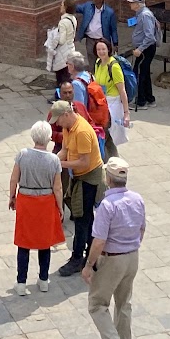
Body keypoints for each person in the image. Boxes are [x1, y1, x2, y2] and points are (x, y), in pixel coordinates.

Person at [83, 156, 146, 339]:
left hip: (113, 258)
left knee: (97, 304)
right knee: (124, 303)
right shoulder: (137, 199)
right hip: (132, 256)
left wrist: (89, 265)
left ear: (107, 179)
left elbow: (99, 241)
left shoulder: (107, 205)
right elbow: (141, 229)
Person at [49, 98, 105, 276]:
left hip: (89, 178)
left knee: (81, 218)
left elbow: (83, 162)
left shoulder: (81, 131)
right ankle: (92, 255)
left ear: (66, 114)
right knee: (85, 217)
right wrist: (53, 160)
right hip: (79, 176)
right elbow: (64, 150)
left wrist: (60, 165)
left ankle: (77, 259)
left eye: (58, 120)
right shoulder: (68, 127)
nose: (57, 124)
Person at [9, 120, 64, 294]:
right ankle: (43, 279)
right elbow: (58, 187)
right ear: (48, 138)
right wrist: (60, 206)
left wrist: (12, 197)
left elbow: (13, 178)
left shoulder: (23, 155)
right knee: (44, 242)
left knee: (23, 242)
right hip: (46, 202)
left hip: (26, 199)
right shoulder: (54, 160)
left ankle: (21, 282)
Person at [93, 39, 131, 152]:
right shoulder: (98, 62)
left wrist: (126, 113)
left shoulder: (114, 67)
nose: (101, 52)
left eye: (103, 49)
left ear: (108, 49)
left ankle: (110, 158)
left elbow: (122, 91)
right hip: (101, 101)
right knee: (104, 134)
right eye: (98, 49)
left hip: (112, 103)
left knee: (107, 134)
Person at [126, 0, 161, 110]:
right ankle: (149, 98)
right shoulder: (140, 14)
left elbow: (150, 37)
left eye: (131, 2)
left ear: (137, 4)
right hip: (144, 49)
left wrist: (140, 49)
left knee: (139, 73)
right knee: (144, 73)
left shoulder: (145, 15)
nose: (129, 4)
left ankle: (141, 102)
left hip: (145, 49)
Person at [74, 0, 118, 69]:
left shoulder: (109, 12)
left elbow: (113, 29)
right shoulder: (88, 6)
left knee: (103, 59)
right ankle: (94, 77)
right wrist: (68, 4)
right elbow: (77, 8)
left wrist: (115, 43)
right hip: (90, 40)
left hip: (102, 40)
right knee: (92, 59)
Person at [44, 0, 77, 75]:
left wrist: (53, 36)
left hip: (63, 52)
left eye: (61, 5)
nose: (60, 7)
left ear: (65, 7)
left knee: (61, 76)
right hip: (71, 48)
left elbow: (61, 40)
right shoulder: (73, 19)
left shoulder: (63, 22)